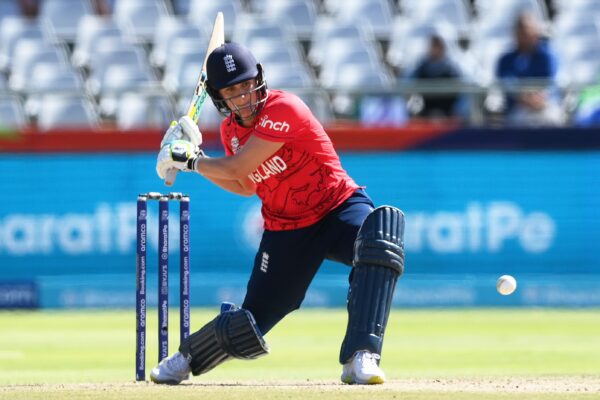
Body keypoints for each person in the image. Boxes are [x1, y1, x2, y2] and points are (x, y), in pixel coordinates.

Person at [152, 42, 405, 385]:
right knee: (252, 320)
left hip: (337, 206)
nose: (243, 96)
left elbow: (239, 165)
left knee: (379, 241)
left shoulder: (284, 108)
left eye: (246, 85)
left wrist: (192, 160)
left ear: (259, 79)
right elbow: (244, 183)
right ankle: (186, 358)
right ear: (219, 96)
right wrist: (192, 162)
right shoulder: (231, 132)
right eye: (232, 90)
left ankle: (362, 357)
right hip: (286, 229)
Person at [495, 12, 564, 126]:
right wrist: (525, 99)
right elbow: (508, 85)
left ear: (536, 32)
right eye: (521, 31)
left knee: (554, 118)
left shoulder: (547, 56)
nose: (525, 35)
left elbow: (550, 84)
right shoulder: (505, 60)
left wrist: (538, 99)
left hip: (545, 107)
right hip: (519, 109)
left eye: (528, 30)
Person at [410, 33, 463, 118]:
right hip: (426, 114)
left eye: (438, 46)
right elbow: (412, 90)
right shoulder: (421, 68)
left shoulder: (451, 70)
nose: (435, 49)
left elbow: (457, 96)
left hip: (447, 115)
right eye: (433, 46)